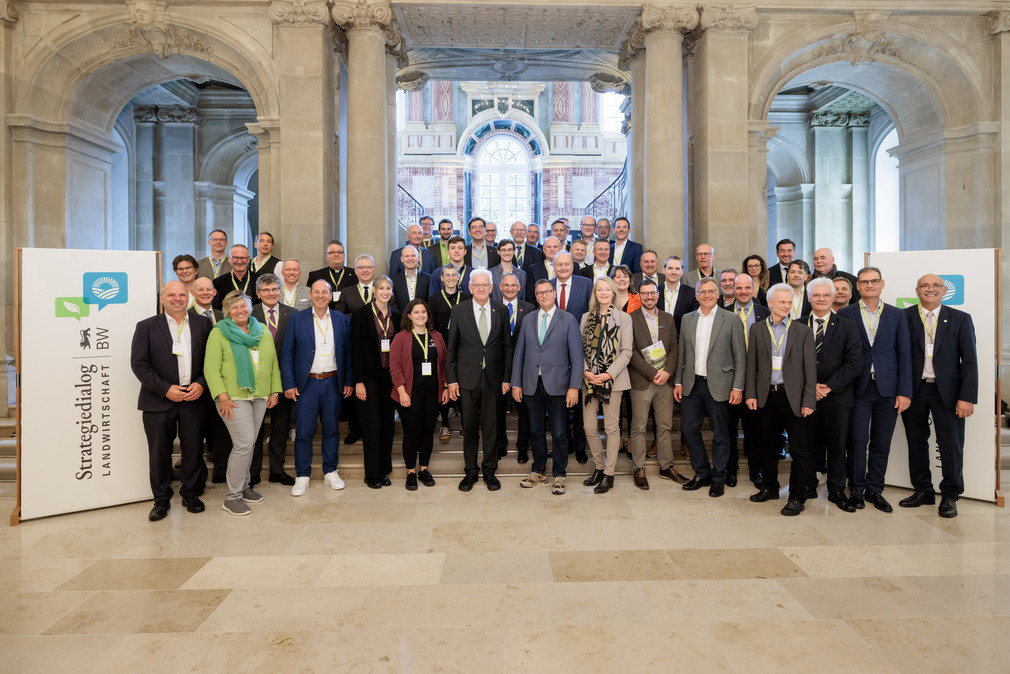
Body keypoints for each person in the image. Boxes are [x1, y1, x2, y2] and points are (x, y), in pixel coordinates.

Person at [130, 280, 212, 521]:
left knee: (194, 449)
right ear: (162, 299)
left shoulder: (202, 323)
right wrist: (165, 389)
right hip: (158, 400)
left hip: (194, 397)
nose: (177, 299)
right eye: (171, 295)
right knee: (159, 453)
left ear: (189, 298)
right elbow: (139, 364)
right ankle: (161, 499)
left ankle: (191, 493)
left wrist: (201, 384)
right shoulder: (146, 327)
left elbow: (213, 360)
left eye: (182, 295)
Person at [899, 274, 978, 518]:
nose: (930, 289)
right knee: (916, 442)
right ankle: (923, 490)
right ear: (917, 290)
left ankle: (950, 495)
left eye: (935, 286)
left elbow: (970, 361)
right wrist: (901, 391)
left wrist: (967, 397)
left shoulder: (960, 319)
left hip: (949, 393)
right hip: (915, 390)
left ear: (944, 290)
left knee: (951, 445)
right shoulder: (905, 317)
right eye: (925, 286)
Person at [838, 267, 912, 512]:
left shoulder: (896, 315)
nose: (869, 285)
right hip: (857, 388)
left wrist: (905, 391)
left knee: (882, 442)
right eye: (864, 282)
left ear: (882, 284)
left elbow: (905, 355)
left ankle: (875, 490)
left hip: (888, 389)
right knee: (858, 440)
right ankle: (856, 489)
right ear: (857, 286)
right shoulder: (845, 314)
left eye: (874, 281)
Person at [205, 291, 281, 516]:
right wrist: (222, 397)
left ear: (250, 307)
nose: (240, 311)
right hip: (233, 398)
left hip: (259, 395)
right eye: (235, 307)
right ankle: (233, 497)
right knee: (244, 443)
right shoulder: (219, 333)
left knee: (250, 443)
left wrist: (274, 390)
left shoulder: (262, 330)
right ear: (227, 310)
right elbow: (210, 369)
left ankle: (245, 486)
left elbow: (272, 362)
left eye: (244, 306)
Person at [745, 283, 817, 516]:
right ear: (771, 303)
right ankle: (770, 487)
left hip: (793, 397)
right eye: (782, 302)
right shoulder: (757, 329)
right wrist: (751, 394)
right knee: (768, 445)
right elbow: (752, 365)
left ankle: (797, 496)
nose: (787, 305)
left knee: (799, 449)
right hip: (767, 396)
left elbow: (810, 370)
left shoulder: (802, 330)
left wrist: (809, 400)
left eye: (790, 302)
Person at [673, 278, 746, 498]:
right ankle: (702, 472)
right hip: (692, 384)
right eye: (702, 292)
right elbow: (682, 354)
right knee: (689, 430)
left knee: (722, 434)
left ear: (718, 294)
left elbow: (740, 357)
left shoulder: (731, 319)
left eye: (711, 291)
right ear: (696, 295)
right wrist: (678, 381)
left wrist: (738, 387)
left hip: (721, 385)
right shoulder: (687, 319)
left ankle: (718, 478)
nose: (706, 295)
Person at [281, 279, 353, 497]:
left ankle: (331, 471)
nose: (321, 296)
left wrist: (348, 380)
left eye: (325, 292)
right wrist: (289, 383)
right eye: (317, 292)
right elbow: (287, 353)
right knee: (303, 432)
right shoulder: (297, 319)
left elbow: (348, 353)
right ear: (310, 295)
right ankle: (302, 475)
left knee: (332, 429)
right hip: (306, 384)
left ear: (331, 296)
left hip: (333, 382)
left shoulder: (342, 320)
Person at [511, 280, 582, 494]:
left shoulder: (568, 320)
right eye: (539, 293)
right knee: (535, 430)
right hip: (532, 383)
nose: (543, 296)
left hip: (559, 384)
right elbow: (519, 353)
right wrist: (516, 382)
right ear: (536, 295)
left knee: (560, 432)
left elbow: (577, 357)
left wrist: (574, 387)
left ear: (553, 293)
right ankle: (538, 471)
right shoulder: (528, 319)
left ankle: (559, 474)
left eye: (547, 291)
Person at [446, 268, 513, 492]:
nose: (481, 289)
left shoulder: (501, 310)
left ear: (492, 288)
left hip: (494, 379)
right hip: (467, 379)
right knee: (470, 427)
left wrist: (506, 377)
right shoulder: (459, 311)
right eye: (477, 285)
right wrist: (452, 380)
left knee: (492, 428)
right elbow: (452, 349)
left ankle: (490, 472)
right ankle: (470, 472)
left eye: (485, 285)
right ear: (470, 288)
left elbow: (507, 347)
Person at [801, 277, 862, 512]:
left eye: (826, 295)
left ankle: (836, 489)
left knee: (838, 446)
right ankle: (807, 484)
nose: (822, 299)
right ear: (809, 298)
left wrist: (827, 387)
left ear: (833, 296)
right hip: (807, 396)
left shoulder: (847, 324)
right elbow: (791, 361)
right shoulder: (796, 324)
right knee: (807, 443)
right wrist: (811, 386)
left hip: (838, 397)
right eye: (816, 295)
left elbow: (855, 362)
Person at [580, 276, 633, 494]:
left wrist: (608, 374)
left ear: (613, 293)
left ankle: (609, 473)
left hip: (614, 381)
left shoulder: (624, 318)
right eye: (599, 290)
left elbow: (626, 351)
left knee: (612, 428)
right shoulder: (585, 317)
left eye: (607, 289)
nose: (603, 293)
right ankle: (599, 467)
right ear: (595, 294)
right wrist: (585, 371)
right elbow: (579, 348)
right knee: (589, 427)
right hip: (589, 381)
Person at [628, 279, 682, 489]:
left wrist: (667, 372)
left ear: (657, 295)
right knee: (639, 427)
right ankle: (639, 468)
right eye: (644, 294)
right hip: (642, 381)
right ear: (639, 296)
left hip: (665, 383)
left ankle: (666, 466)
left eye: (652, 293)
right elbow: (630, 351)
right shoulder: (630, 319)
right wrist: (652, 373)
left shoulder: (668, 319)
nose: (649, 297)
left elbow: (674, 348)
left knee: (665, 426)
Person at [390, 299, 448, 490]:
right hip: (409, 392)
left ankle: (423, 469)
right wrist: (402, 392)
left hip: (433, 392)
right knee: (411, 433)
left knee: (427, 432)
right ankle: (410, 472)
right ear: (409, 315)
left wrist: (446, 387)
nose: (420, 315)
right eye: (416, 312)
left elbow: (443, 364)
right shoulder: (401, 337)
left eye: (423, 312)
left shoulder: (437, 336)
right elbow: (395, 367)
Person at [351, 275, 400, 488]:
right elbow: (356, 350)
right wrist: (358, 381)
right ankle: (372, 474)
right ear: (374, 290)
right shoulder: (361, 314)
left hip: (389, 378)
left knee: (387, 425)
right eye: (381, 288)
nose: (385, 292)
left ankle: (384, 469)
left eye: (388, 288)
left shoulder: (396, 316)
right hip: (369, 378)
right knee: (372, 426)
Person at [250, 274, 296, 487]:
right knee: (256, 429)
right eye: (266, 290)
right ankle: (253, 472)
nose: (271, 293)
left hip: (284, 380)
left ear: (280, 291)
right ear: (258, 293)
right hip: (255, 381)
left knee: (280, 428)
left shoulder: (293, 314)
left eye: (275, 289)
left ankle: (277, 470)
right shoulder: (249, 314)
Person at [724, 273, 770, 488]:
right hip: (729, 381)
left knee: (756, 430)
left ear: (753, 289)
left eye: (747, 287)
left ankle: (756, 471)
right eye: (738, 288)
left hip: (756, 382)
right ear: (732, 289)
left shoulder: (765, 313)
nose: (743, 291)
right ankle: (731, 470)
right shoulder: (722, 314)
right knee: (729, 429)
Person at [495, 273, 535, 462]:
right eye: (506, 285)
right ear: (500, 287)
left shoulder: (530, 308)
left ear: (519, 288)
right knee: (497, 409)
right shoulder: (493, 308)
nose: (510, 288)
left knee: (524, 411)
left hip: (523, 366)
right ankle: (500, 444)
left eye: (513, 285)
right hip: (499, 367)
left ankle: (522, 447)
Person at [429, 263, 467, 443]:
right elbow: (431, 325)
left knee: (463, 384)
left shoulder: (467, 298)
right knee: (443, 384)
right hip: (442, 348)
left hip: (463, 348)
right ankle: (445, 423)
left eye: (454, 275)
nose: (451, 278)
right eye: (447, 275)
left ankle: (465, 424)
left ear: (458, 278)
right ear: (441, 278)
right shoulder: (434, 299)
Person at [307, 240, 358, 310]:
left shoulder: (355, 274)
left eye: (339, 252)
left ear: (344, 255)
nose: (336, 254)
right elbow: (310, 300)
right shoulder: (315, 276)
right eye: (332, 252)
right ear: (326, 256)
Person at [658, 255, 698, 332]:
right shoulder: (655, 292)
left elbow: (693, 322)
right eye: (670, 268)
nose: (674, 272)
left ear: (682, 271)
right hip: (658, 339)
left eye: (677, 269)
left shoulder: (692, 294)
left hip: (682, 339)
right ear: (664, 270)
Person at [212, 244, 259, 309]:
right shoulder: (218, 283)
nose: (239, 261)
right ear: (229, 258)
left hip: (254, 318)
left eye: (243, 258)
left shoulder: (259, 280)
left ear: (248, 259)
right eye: (235, 258)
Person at [391, 245, 431, 312]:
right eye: (406, 256)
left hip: (422, 319)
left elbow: (430, 303)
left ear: (418, 258)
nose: (410, 259)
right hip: (400, 320)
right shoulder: (393, 280)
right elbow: (393, 304)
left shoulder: (428, 279)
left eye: (413, 256)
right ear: (401, 259)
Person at [525, 236, 562, 302]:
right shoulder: (533, 269)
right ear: (544, 250)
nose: (552, 249)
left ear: (560, 249)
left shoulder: (569, 268)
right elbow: (530, 296)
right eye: (549, 247)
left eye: (555, 247)